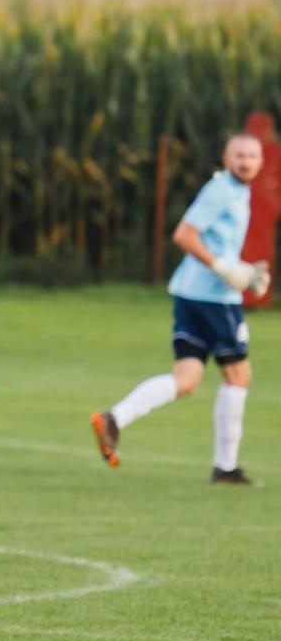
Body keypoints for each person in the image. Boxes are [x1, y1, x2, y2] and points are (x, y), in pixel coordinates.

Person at [91, 134, 269, 484]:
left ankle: (115, 418)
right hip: (214, 300)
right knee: (239, 375)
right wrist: (224, 269)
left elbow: (217, 244)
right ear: (226, 157)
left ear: (260, 161)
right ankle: (225, 467)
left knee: (186, 379)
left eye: (252, 155)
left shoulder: (238, 191)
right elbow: (184, 235)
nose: (246, 161)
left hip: (193, 294)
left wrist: (244, 273)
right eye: (240, 155)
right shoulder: (220, 190)